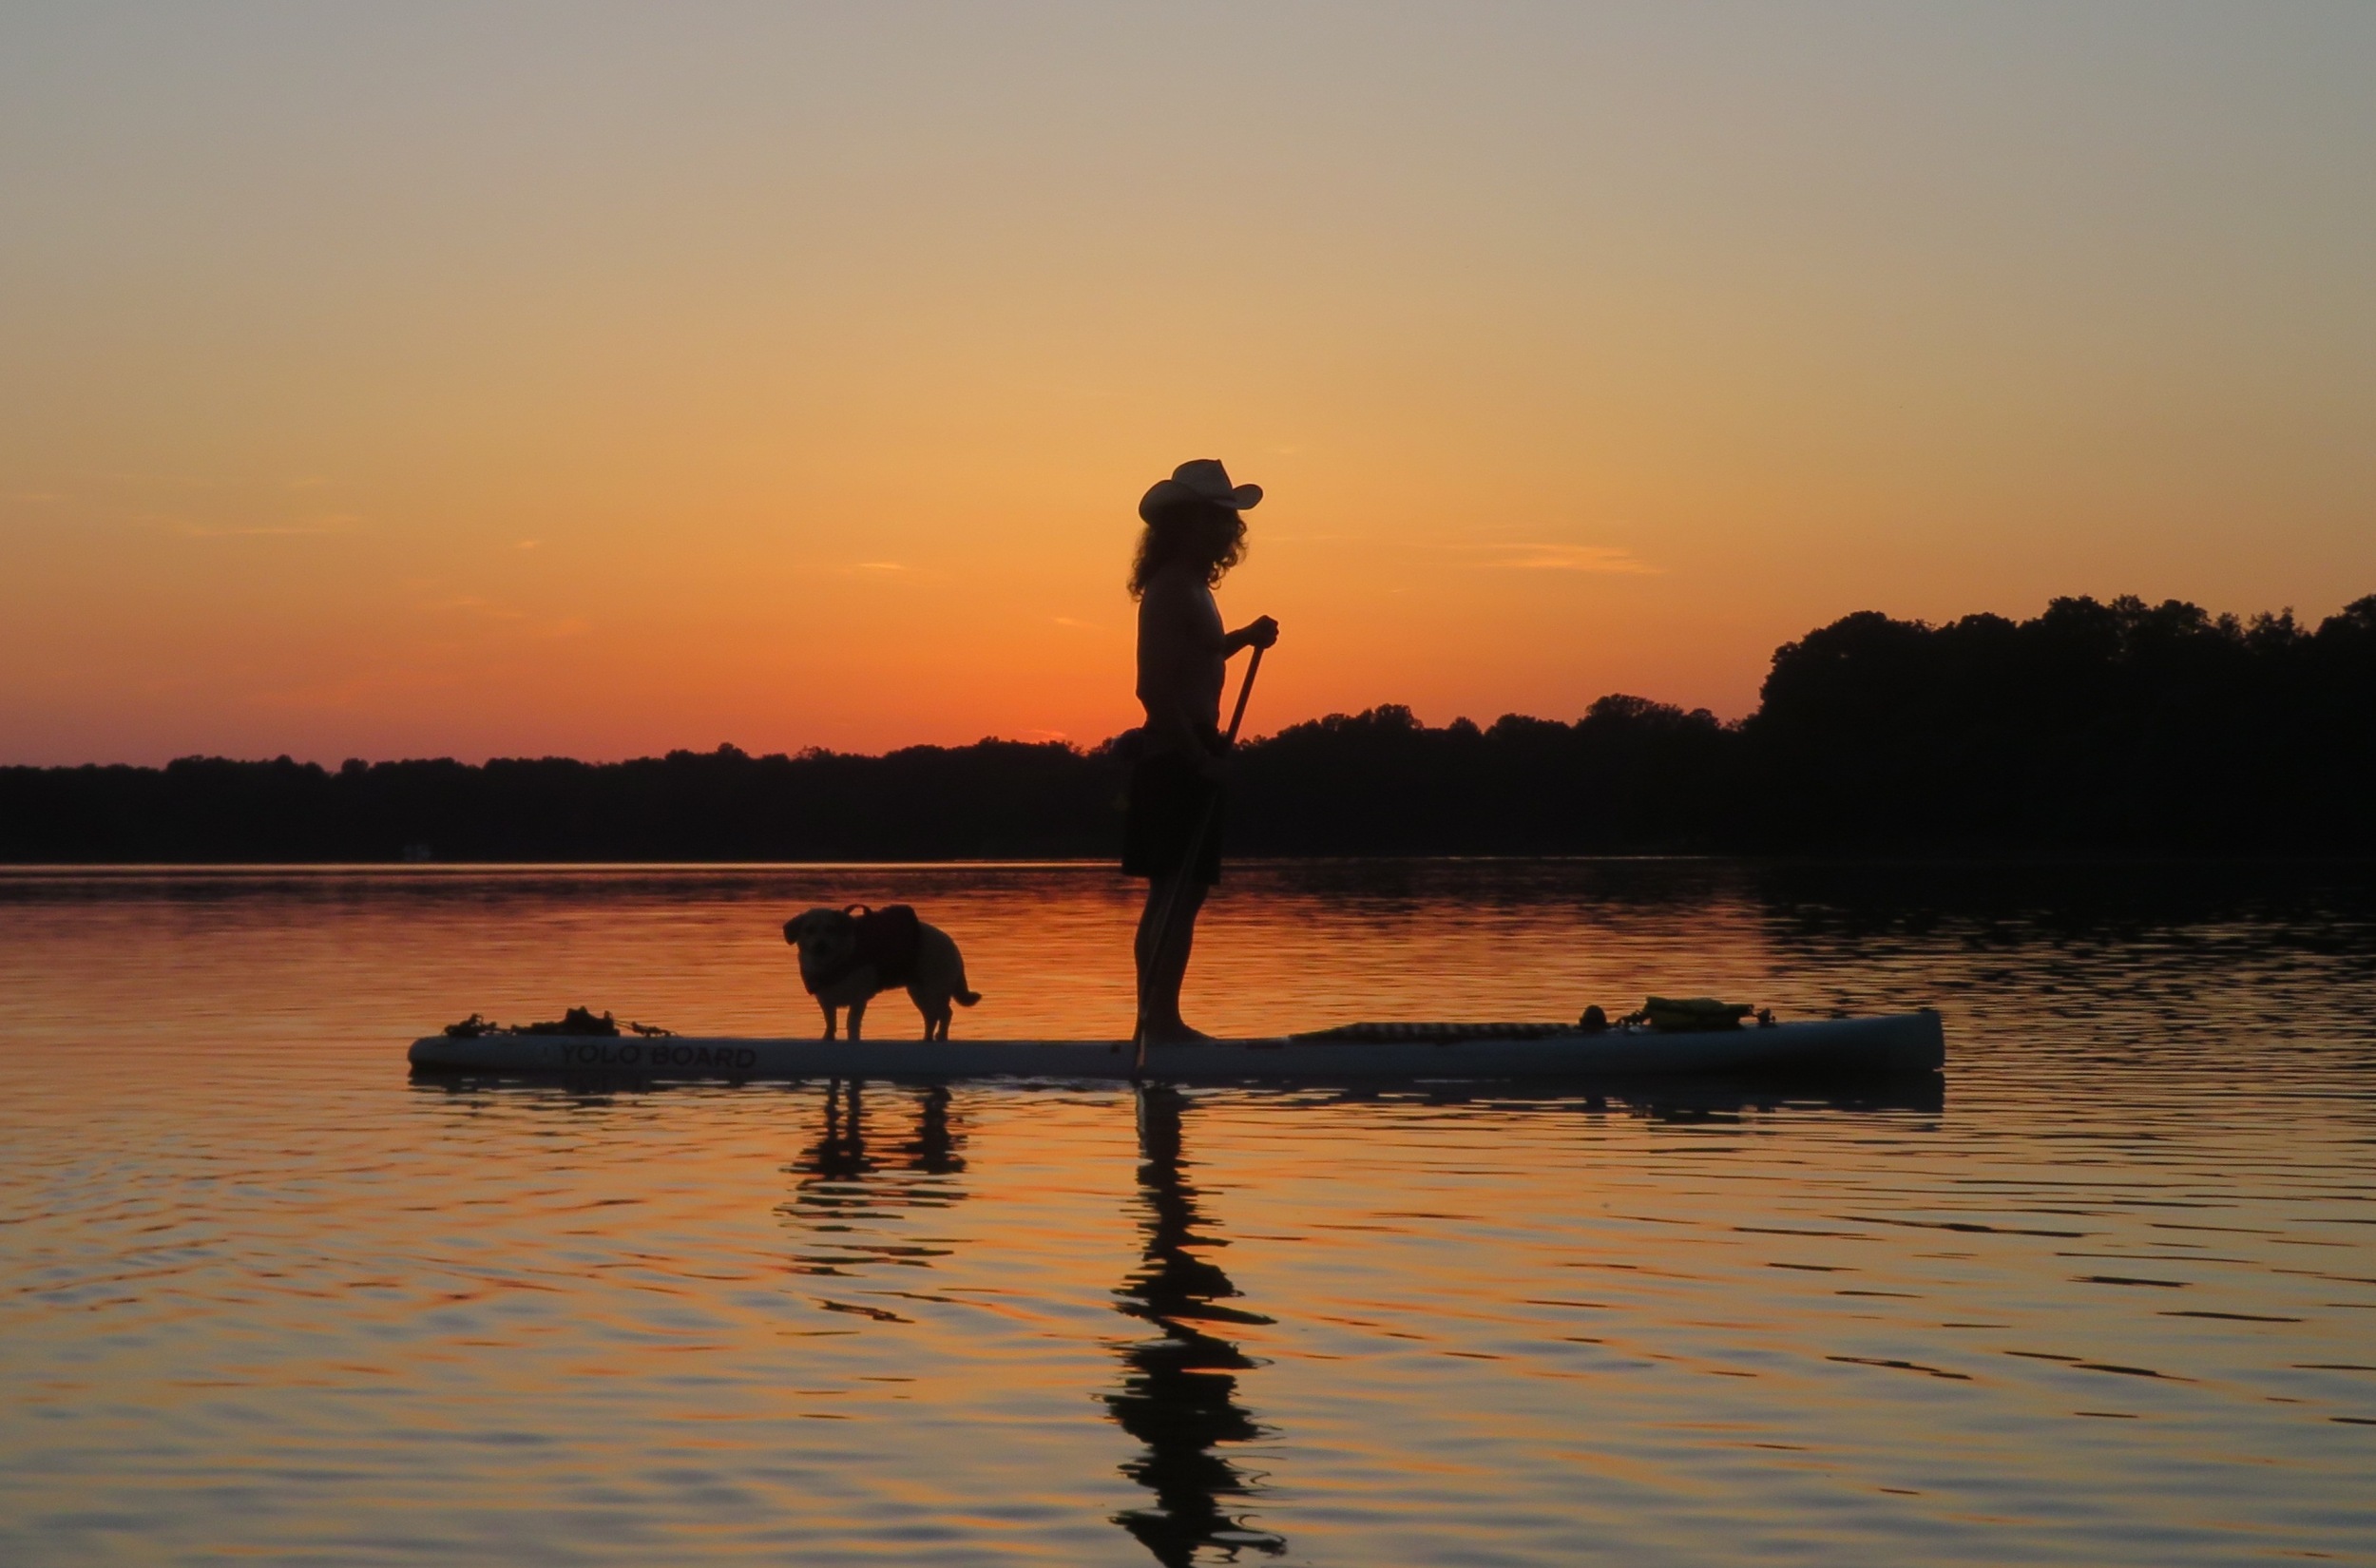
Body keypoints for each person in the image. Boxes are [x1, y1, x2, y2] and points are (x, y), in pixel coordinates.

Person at [1124, 459, 1278, 1044]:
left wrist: (1242, 638)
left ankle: (1159, 1020)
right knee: (1173, 890)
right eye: (1219, 519)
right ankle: (1158, 1023)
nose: (1229, 531)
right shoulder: (1168, 590)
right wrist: (1197, 759)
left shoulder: (1190, 587)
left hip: (1190, 750)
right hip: (1175, 754)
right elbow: (1154, 688)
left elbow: (1199, 654)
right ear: (1189, 523)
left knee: (1182, 894)